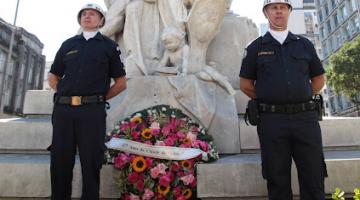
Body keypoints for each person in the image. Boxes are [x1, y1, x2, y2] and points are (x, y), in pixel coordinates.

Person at [239, 0, 327, 199]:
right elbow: (245, 84)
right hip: (272, 122)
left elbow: (319, 79)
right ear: (266, 13)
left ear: (289, 12)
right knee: (277, 179)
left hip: (305, 119)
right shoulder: (255, 47)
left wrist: (302, 95)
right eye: (273, 7)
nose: (278, 11)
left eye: (283, 7)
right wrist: (268, 98)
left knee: (314, 175)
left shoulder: (304, 44)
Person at [47, 3, 126, 199]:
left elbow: (121, 83)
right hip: (64, 112)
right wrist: (65, 94)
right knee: (60, 162)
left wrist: (98, 98)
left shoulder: (109, 46)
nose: (87, 16)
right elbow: (53, 76)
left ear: (101, 21)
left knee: (91, 163)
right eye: (83, 13)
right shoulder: (68, 45)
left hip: (92, 113)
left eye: (92, 14)